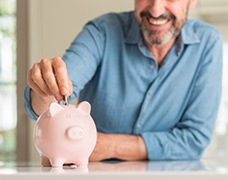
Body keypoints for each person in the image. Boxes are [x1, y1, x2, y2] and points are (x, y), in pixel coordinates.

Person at [24, 0, 223, 161]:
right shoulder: (102, 32)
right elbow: (53, 102)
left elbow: (194, 140)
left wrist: (105, 145)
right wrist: (44, 89)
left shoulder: (207, 43)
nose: (155, 10)